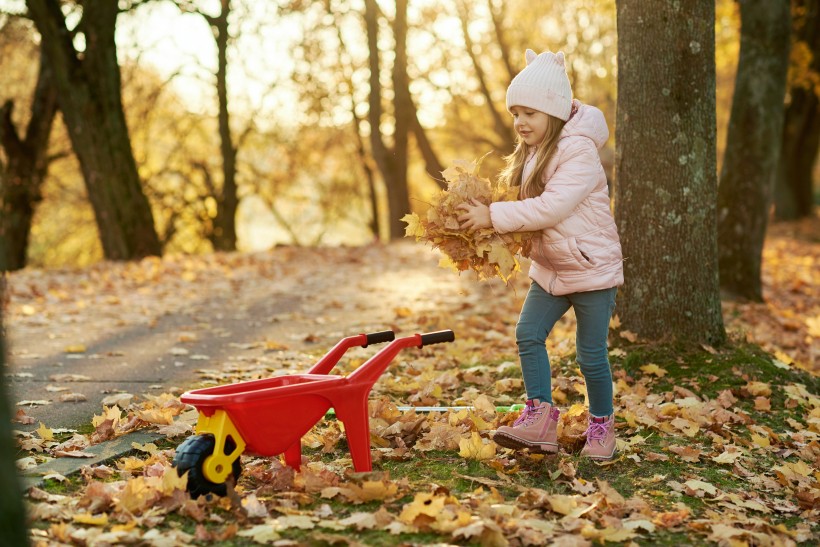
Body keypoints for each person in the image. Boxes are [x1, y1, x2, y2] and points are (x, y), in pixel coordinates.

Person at [457, 48, 624, 460]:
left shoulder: (579, 151)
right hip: (551, 269)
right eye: (516, 112)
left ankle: (602, 425)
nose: (520, 122)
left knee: (591, 356)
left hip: (590, 269)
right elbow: (528, 209)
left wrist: (492, 216)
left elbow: (551, 207)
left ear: (554, 111)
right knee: (527, 335)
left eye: (529, 112)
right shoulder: (531, 153)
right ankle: (540, 418)